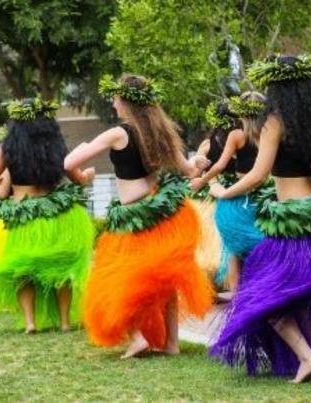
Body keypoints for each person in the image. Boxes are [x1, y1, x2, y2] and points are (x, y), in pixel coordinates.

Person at [209, 54, 311, 383]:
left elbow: (258, 175)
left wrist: (223, 193)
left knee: (259, 293)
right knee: (299, 295)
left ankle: (305, 357)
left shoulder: (275, 121)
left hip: (293, 222)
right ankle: (309, 356)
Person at [65, 74, 213, 359]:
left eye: (115, 97)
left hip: (134, 216)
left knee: (118, 275)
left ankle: (137, 338)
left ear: (124, 100)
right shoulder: (160, 132)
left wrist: (82, 173)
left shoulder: (118, 133)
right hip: (162, 211)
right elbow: (190, 170)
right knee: (165, 278)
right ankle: (171, 344)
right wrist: (200, 161)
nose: (112, 102)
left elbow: (69, 163)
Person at [0, 98, 94, 333]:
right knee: (60, 267)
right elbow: (78, 178)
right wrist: (88, 174)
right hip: (55, 212)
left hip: (23, 214)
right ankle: (65, 322)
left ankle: (30, 323)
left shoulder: (7, 147)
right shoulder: (56, 146)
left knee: (23, 271)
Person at [191, 93, 266, 290]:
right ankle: (255, 291)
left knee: (235, 249)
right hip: (265, 193)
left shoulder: (236, 135)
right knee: (254, 246)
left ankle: (237, 296)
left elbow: (218, 165)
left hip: (240, 195)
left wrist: (203, 181)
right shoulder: (269, 131)